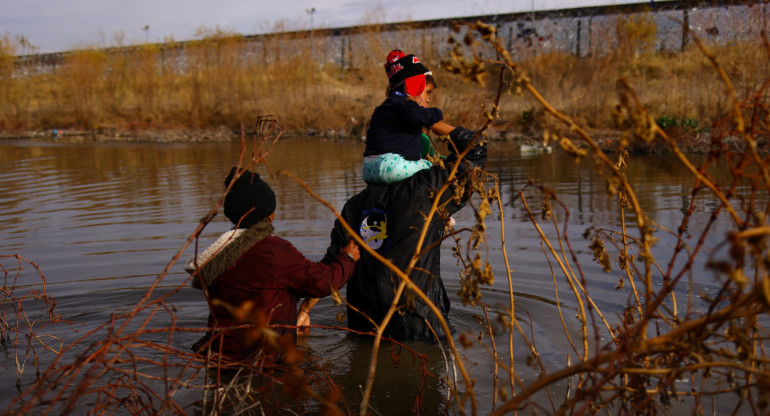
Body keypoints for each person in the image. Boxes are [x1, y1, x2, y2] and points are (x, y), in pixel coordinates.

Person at [320, 125, 487, 341]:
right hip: (419, 330)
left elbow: (331, 268)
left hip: (366, 330)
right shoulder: (425, 192)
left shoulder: (353, 206)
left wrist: (305, 311)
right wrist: (431, 119)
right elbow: (476, 150)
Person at [185, 167, 360, 363]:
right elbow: (323, 281)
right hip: (263, 362)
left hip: (218, 358)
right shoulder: (274, 251)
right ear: (268, 215)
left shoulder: (220, 253)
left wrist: (299, 314)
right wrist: (348, 258)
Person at [362, 49, 455, 185]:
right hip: (392, 166)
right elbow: (419, 116)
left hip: (368, 168)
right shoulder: (405, 104)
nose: (428, 100)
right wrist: (436, 113)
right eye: (427, 92)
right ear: (414, 86)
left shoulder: (385, 107)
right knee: (435, 169)